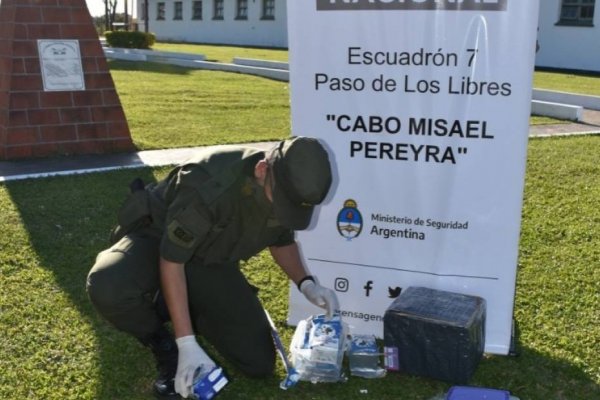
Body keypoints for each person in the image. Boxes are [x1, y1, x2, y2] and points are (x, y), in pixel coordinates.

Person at [86, 136, 340, 398]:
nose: (283, 210)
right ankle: (163, 344)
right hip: (158, 239)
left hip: (209, 259)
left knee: (258, 363)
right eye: (283, 202)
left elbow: (281, 241)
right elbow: (172, 260)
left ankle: (178, 305)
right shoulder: (209, 183)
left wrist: (307, 284)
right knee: (109, 284)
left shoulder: (282, 185)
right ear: (262, 170)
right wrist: (185, 343)